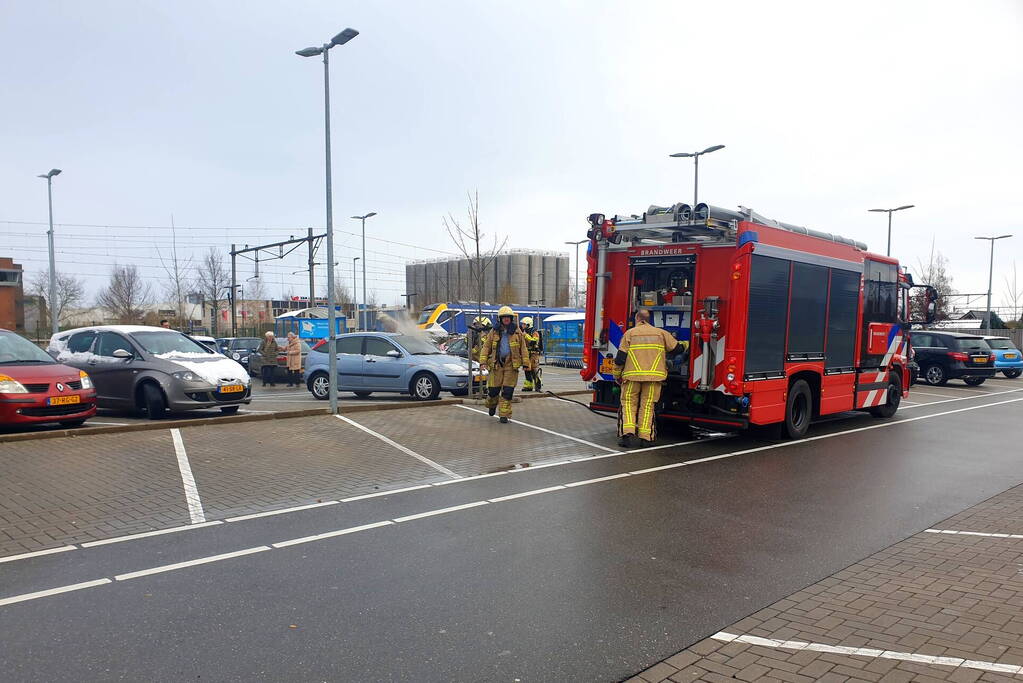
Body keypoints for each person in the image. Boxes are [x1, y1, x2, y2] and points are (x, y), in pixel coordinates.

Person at [612, 308, 689, 448]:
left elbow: (620, 359)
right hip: (654, 378)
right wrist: (688, 343)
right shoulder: (661, 333)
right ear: (649, 320)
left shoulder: (630, 333)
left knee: (628, 404)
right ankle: (645, 438)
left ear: (637, 319)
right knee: (647, 406)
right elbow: (677, 349)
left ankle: (627, 435)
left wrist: (617, 375)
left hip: (632, 377)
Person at [479, 305, 529, 423]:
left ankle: (504, 415)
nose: (506, 319)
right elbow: (486, 347)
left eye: (508, 317)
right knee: (493, 391)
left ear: (511, 318)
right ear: (500, 319)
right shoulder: (494, 331)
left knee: (507, 391)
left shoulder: (517, 332)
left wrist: (526, 363)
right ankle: (492, 405)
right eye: (504, 317)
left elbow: (523, 348)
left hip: (511, 366)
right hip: (497, 366)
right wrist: (483, 362)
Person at [519, 316, 543, 392]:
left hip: (533, 354)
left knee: (534, 370)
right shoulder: (524, 332)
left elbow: (534, 341)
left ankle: (538, 385)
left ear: (528, 325)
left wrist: (525, 335)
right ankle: (528, 386)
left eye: (524, 324)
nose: (522, 326)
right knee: (527, 370)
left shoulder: (534, 332)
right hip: (526, 354)